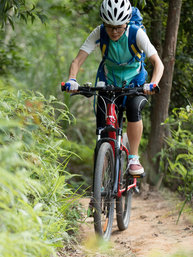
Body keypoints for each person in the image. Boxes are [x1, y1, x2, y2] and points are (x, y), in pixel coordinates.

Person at [63, 0, 164, 176]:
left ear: (126, 22)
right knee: (103, 124)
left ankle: (133, 158)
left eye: (119, 27)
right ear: (104, 23)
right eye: (110, 27)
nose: (114, 31)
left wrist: (152, 84)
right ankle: (101, 177)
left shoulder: (136, 33)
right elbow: (77, 60)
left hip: (135, 82)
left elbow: (158, 63)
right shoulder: (99, 32)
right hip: (109, 81)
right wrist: (72, 80)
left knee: (134, 109)